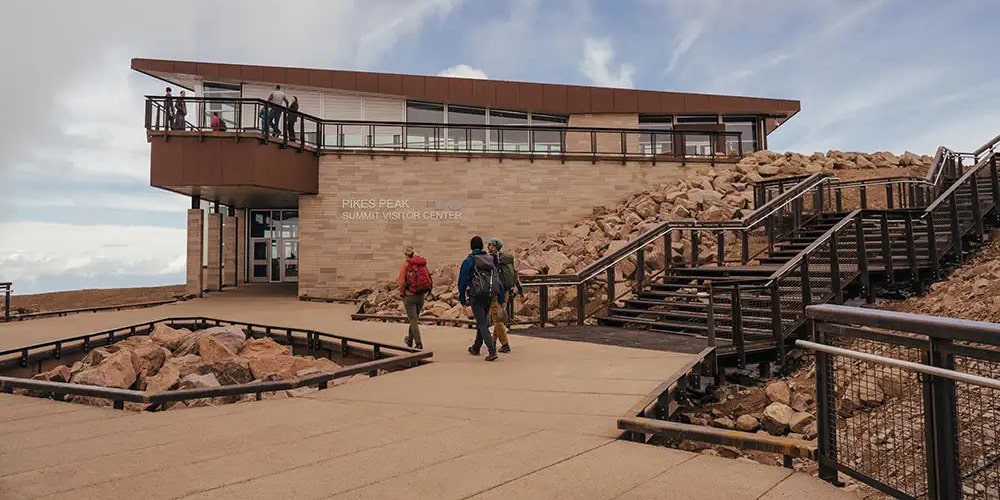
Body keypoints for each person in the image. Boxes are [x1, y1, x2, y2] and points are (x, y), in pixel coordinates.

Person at [459, 236, 504, 362]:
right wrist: (500, 296)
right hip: (489, 295)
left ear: (471, 246)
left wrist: (462, 299)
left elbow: (462, 281)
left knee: (482, 323)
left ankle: (492, 350)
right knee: (482, 320)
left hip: (477, 295)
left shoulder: (469, 260)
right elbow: (497, 279)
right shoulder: (489, 259)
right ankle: (476, 347)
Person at [486, 237, 522, 353]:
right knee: (499, 317)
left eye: (490, 245)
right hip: (506, 291)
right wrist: (520, 291)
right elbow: (516, 275)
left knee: (497, 318)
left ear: (495, 246)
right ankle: (493, 341)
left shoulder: (495, 259)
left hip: (497, 292)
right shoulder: (508, 258)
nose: (488, 247)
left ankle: (505, 344)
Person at [398, 246, 431, 350]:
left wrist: (402, 293)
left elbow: (402, 282)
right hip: (420, 295)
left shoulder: (406, 265)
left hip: (410, 296)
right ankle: (410, 340)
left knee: (413, 320)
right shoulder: (422, 264)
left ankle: (418, 343)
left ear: (406, 255)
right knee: (414, 319)